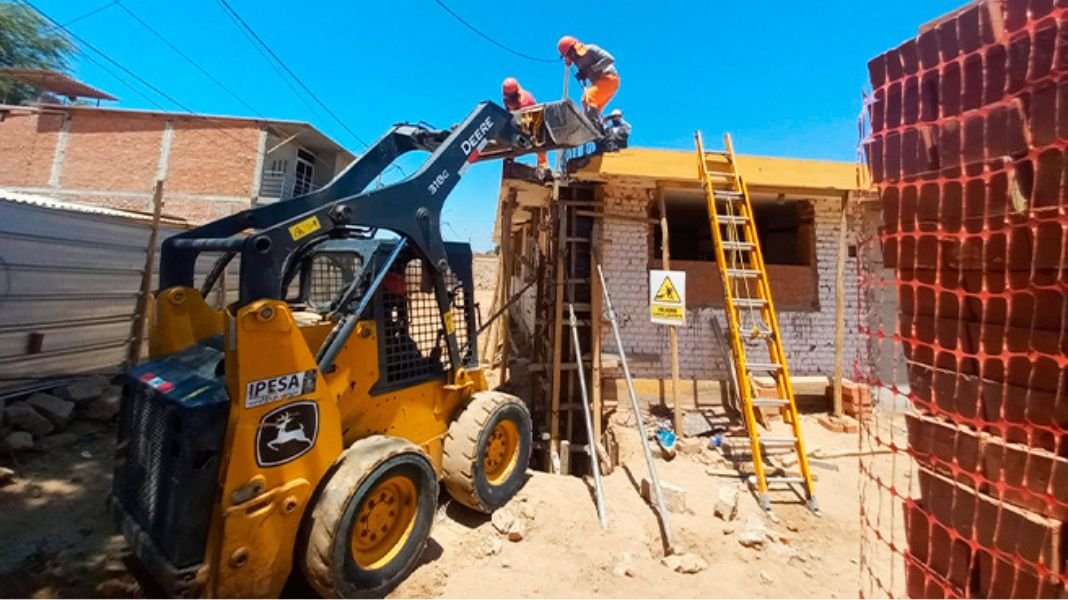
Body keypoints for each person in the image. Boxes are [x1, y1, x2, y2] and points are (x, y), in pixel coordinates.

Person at [557, 36, 619, 116]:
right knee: (594, 107)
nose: (569, 57)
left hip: (609, 79)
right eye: (566, 56)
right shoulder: (576, 60)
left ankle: (590, 120)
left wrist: (592, 69)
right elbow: (586, 70)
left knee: (587, 99)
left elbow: (610, 59)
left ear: (574, 48)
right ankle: (595, 125)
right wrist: (583, 74)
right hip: (600, 83)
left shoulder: (590, 49)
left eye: (568, 54)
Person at [501, 77, 548, 170]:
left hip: (530, 124)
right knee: (507, 135)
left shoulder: (526, 99)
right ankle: (509, 160)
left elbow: (535, 118)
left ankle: (543, 164)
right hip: (516, 124)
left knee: (538, 139)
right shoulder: (508, 99)